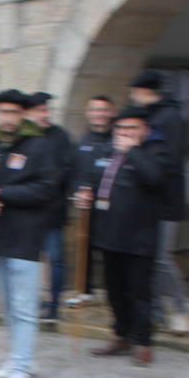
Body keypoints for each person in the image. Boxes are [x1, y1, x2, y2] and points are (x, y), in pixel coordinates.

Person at [0, 89, 58, 378]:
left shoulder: (39, 146)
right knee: (7, 305)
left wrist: (1, 195)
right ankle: (18, 358)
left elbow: (46, 189)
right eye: (2, 112)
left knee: (23, 306)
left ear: (23, 114)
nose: (7, 118)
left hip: (24, 238)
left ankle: (22, 368)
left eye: (13, 112)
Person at [77, 106, 170, 365]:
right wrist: (85, 192)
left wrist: (133, 151)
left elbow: (154, 178)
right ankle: (122, 334)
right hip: (108, 233)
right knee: (114, 291)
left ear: (145, 130)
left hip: (139, 236)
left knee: (139, 292)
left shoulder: (155, 152)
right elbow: (93, 178)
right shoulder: (107, 150)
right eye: (120, 129)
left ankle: (143, 341)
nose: (125, 134)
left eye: (132, 128)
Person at [128, 69, 189, 335]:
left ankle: (181, 311)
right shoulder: (149, 116)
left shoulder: (170, 118)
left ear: (144, 91)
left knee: (161, 259)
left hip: (165, 199)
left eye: (134, 92)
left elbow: (170, 162)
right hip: (147, 198)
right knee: (149, 258)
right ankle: (155, 313)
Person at [25, 91, 73, 323]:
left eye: (46, 110)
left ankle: (53, 303)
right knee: (29, 260)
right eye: (39, 110)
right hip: (27, 211)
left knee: (55, 257)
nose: (44, 114)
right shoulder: (23, 138)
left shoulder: (59, 136)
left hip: (52, 209)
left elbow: (68, 168)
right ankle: (32, 303)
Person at [64, 95, 116, 306]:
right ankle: (84, 290)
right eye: (95, 110)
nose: (99, 114)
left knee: (112, 252)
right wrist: (77, 192)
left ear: (111, 113)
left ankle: (116, 294)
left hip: (114, 208)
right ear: (88, 113)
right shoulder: (82, 142)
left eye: (104, 110)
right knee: (85, 246)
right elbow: (75, 174)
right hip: (89, 207)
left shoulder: (116, 140)